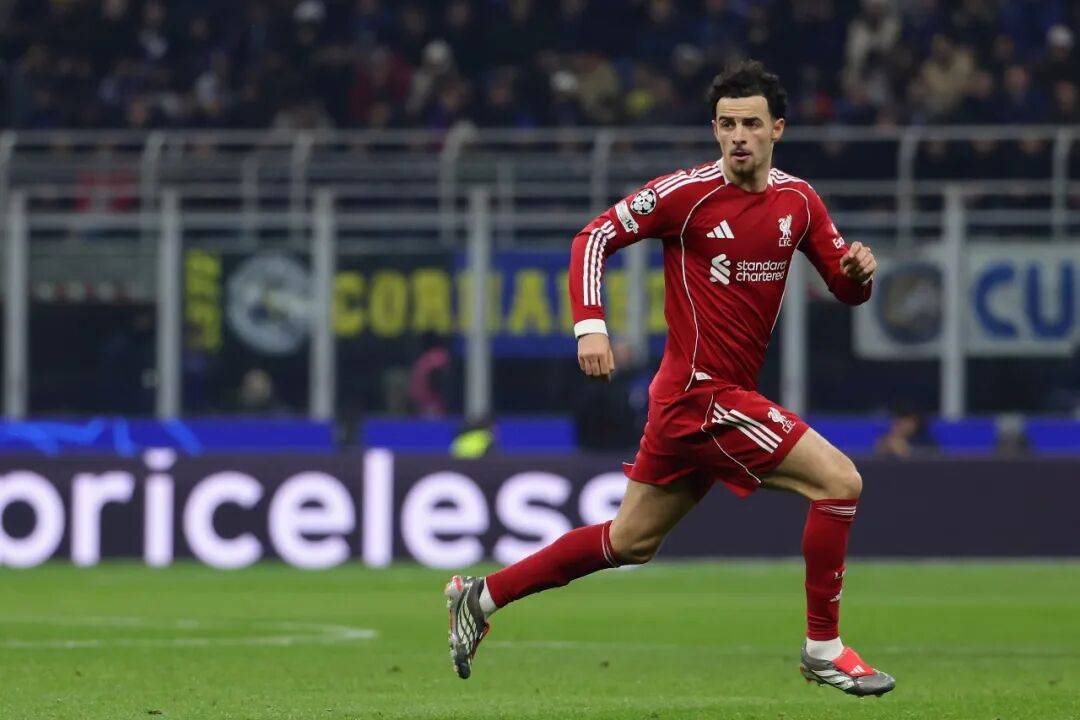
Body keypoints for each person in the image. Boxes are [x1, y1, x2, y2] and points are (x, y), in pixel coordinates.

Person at [445, 60, 895, 698]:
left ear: (778, 129)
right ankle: (824, 649)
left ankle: (481, 598)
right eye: (726, 124)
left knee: (629, 541)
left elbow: (845, 290)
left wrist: (857, 274)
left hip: (703, 401)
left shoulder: (800, 202)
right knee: (839, 482)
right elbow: (592, 238)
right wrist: (590, 326)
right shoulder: (686, 195)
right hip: (700, 395)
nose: (738, 136)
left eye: (751, 124)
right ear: (714, 129)